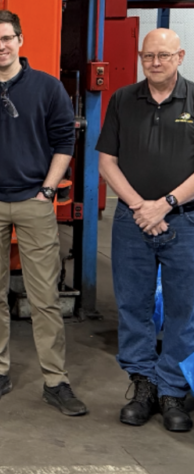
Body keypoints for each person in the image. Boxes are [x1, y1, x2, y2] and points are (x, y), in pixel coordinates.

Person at [0, 10, 86, 416]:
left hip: (35, 202)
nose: (0, 46)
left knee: (44, 297)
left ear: (20, 40)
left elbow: (64, 143)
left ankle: (55, 381)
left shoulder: (47, 87)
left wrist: (47, 191)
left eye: (7, 38)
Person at [98, 28, 193, 433]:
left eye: (163, 55)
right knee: (133, 306)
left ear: (180, 57)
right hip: (132, 221)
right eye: (148, 55)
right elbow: (107, 161)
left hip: (184, 219)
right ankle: (144, 385)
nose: (155, 62)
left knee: (184, 308)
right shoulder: (123, 99)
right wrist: (140, 206)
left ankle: (172, 390)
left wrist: (165, 204)